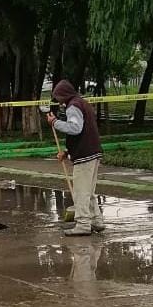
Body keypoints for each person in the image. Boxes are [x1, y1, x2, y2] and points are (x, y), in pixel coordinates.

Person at [47, 80, 104, 236]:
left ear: (63, 95)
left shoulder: (73, 107)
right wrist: (67, 151)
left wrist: (55, 122)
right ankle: (96, 221)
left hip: (85, 156)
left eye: (58, 97)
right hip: (93, 152)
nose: (57, 100)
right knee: (89, 191)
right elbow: (83, 132)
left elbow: (75, 128)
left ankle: (84, 224)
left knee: (81, 192)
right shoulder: (82, 103)